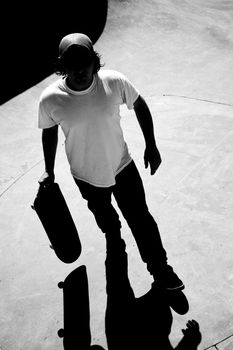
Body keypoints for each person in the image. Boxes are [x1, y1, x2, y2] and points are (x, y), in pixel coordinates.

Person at [38, 33, 184, 291]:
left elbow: (139, 104)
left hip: (122, 166)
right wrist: (49, 171)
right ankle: (112, 233)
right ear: (63, 66)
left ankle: (160, 268)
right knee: (105, 217)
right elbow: (49, 131)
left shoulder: (114, 82)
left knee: (141, 219)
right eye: (72, 63)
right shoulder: (50, 99)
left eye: (85, 61)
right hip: (86, 175)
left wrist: (151, 144)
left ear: (95, 61)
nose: (80, 69)